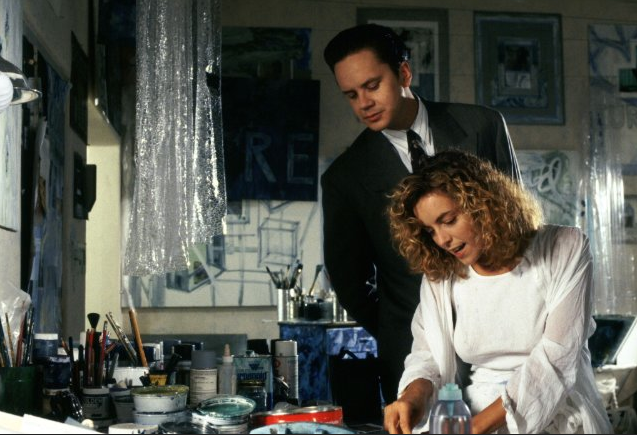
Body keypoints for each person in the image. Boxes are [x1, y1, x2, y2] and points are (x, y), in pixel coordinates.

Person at [321, 23, 521, 403]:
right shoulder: (344, 178)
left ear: (404, 73)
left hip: (505, 338)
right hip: (411, 354)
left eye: (372, 86)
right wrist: (405, 327)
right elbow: (350, 283)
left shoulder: (483, 127)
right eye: (351, 95)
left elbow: (518, 227)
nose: (363, 103)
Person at [383, 150, 612, 434]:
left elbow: (558, 357)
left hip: (559, 415)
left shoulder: (564, 247)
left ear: (484, 205)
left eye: (449, 220)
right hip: (479, 415)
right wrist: (412, 397)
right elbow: (428, 353)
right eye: (430, 231)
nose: (442, 240)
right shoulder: (443, 273)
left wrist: (470, 429)